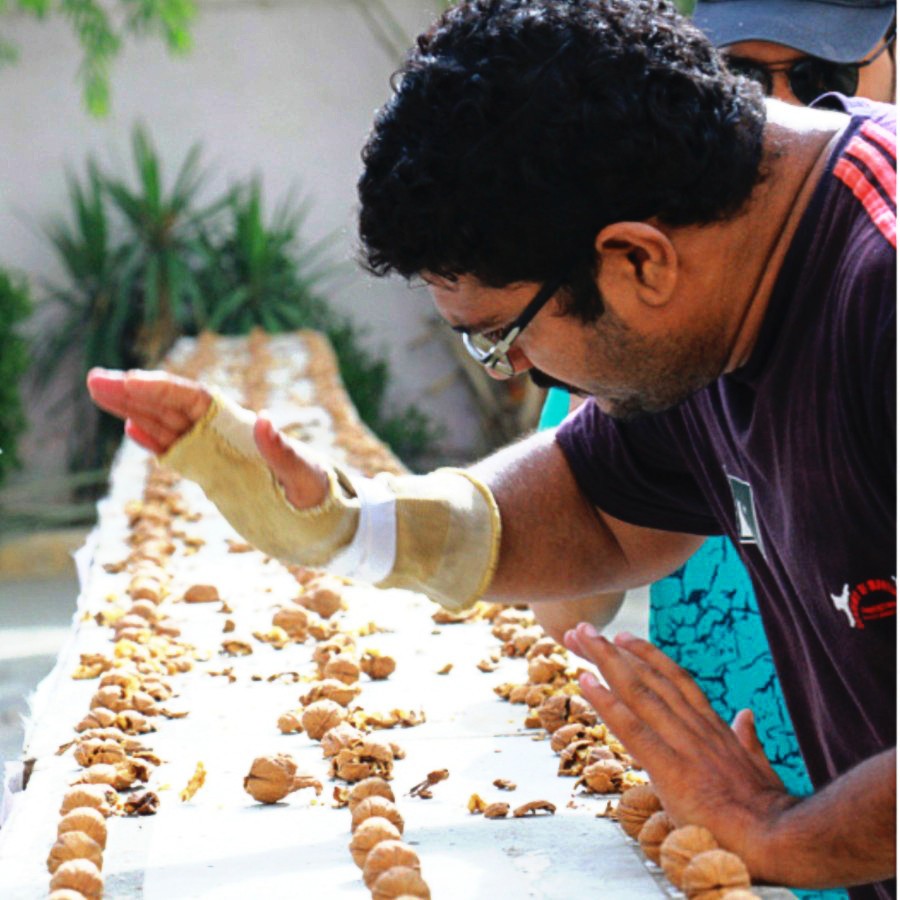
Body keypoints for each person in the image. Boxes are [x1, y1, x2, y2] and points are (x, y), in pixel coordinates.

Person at [86, 1, 895, 894]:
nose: (515, 377)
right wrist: (347, 525)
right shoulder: (726, 272)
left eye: (501, 337)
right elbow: (596, 506)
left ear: (637, 261)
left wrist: (780, 832)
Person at [536, 0, 897, 853]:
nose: (780, 112)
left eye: (820, 78)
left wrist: (785, 831)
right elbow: (570, 590)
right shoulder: (661, 311)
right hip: (744, 830)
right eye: (738, 82)